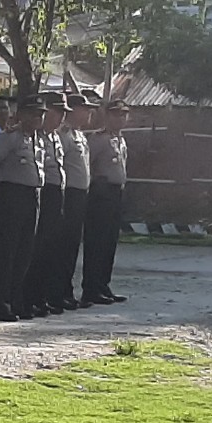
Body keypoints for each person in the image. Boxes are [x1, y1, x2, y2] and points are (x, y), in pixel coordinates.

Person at [0, 91, 43, 322]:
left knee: (24, 253)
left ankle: (15, 299)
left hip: (31, 196)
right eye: (33, 114)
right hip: (10, 197)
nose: (38, 118)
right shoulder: (9, 138)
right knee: (5, 253)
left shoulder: (36, 139)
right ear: (22, 115)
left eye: (41, 114)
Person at [27, 94, 74, 315]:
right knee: (37, 248)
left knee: (51, 248)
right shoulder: (34, 137)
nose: (62, 117)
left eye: (64, 113)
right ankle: (30, 296)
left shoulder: (56, 137)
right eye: (58, 112)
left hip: (57, 194)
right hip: (42, 193)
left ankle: (43, 295)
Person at [83, 99, 131, 303]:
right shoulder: (98, 139)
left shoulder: (120, 140)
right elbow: (87, 164)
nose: (119, 118)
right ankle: (91, 288)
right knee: (97, 242)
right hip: (100, 194)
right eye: (115, 114)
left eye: (123, 114)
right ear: (107, 116)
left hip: (115, 193)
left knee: (110, 241)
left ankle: (103, 284)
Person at [51, 93, 96, 310]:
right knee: (61, 245)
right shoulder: (63, 135)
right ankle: (57, 291)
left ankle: (66, 290)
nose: (89, 113)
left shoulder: (79, 135)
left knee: (71, 246)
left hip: (80, 194)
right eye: (85, 109)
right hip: (67, 195)